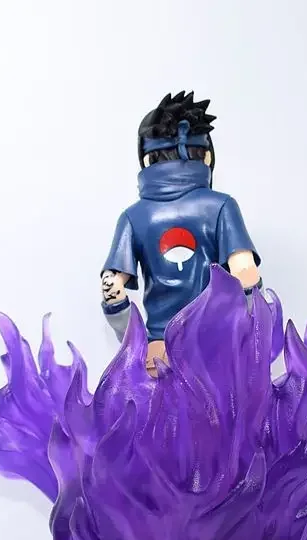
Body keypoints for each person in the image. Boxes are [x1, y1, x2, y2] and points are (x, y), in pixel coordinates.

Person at [100, 91, 262, 375]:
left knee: (159, 403)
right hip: (215, 344)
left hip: (158, 347)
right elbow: (245, 273)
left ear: (146, 159)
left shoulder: (133, 216)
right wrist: (247, 333)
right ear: (207, 155)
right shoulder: (221, 206)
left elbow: (112, 285)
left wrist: (136, 342)